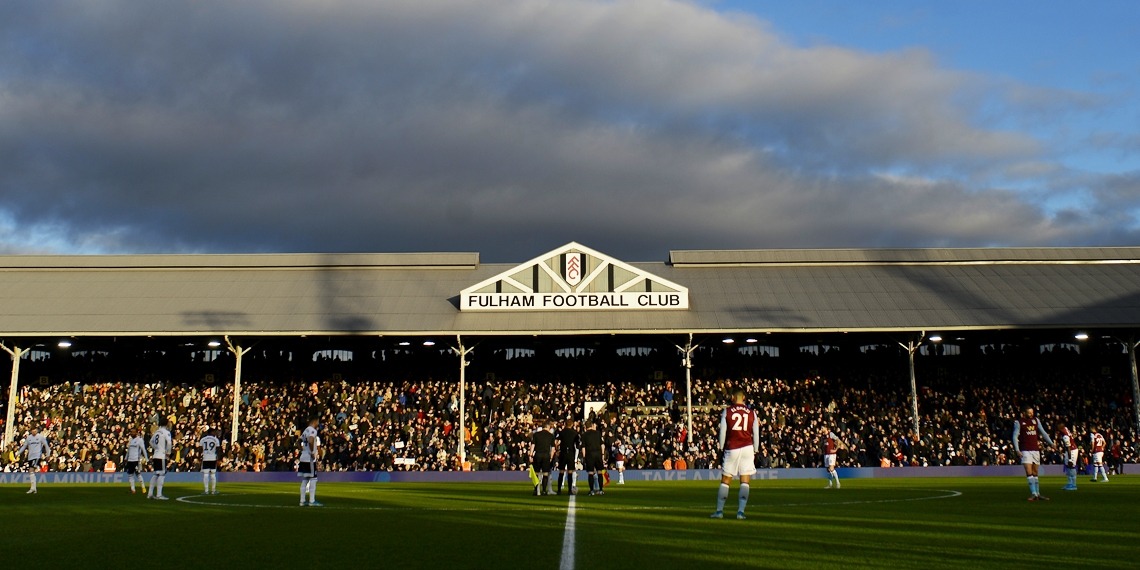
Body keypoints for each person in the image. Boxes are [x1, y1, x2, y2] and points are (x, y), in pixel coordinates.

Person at [711, 389, 760, 520]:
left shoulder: (727, 411)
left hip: (732, 447)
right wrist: (755, 448)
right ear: (743, 398)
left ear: (733, 397)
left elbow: (723, 431)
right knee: (745, 480)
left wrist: (721, 447)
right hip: (748, 448)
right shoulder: (752, 413)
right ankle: (740, 512)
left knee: (726, 480)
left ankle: (719, 511)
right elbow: (756, 432)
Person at [1012, 405, 1054, 501]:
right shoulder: (1019, 422)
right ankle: (1033, 493)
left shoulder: (1036, 420)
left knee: (1035, 472)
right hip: (1025, 450)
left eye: (1032, 412)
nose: (1031, 414)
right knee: (1029, 471)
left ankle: (1038, 494)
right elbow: (1015, 436)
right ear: (1024, 413)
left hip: (1035, 450)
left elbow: (1043, 432)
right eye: (1029, 412)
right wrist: (1017, 449)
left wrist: (1051, 443)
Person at [16, 426, 51, 494]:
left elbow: (46, 445)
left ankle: (33, 488)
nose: (34, 432)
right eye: (33, 431)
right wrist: (18, 452)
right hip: (30, 456)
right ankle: (34, 488)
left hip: (37, 455)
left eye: (35, 431)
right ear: (31, 431)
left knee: (31, 470)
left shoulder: (40, 437)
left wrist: (48, 454)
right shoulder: (29, 438)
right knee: (31, 471)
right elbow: (24, 446)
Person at [298, 417, 322, 506]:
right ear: (314, 421)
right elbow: (311, 440)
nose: (318, 424)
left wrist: (302, 450)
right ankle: (312, 501)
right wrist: (312, 452)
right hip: (309, 459)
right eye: (317, 422)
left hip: (303, 457)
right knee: (313, 479)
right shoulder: (313, 431)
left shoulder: (305, 430)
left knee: (305, 479)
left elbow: (298, 441)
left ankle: (302, 501)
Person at [148, 418, 173, 500]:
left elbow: (151, 442)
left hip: (156, 455)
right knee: (162, 474)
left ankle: (150, 494)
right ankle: (159, 495)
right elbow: (169, 442)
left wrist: (157, 448)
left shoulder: (157, 432)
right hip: (162, 456)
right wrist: (168, 452)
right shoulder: (166, 432)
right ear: (166, 424)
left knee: (155, 474)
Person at [529, 420, 556, 496]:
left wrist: (530, 455)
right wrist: (551, 457)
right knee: (545, 473)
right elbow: (553, 448)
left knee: (536, 473)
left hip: (537, 455)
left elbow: (533, 446)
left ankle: (536, 490)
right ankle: (544, 490)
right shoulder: (551, 436)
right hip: (546, 455)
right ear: (548, 426)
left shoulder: (536, 435)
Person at [580, 420, 606, 496]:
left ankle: (591, 490)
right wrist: (602, 454)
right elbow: (602, 445)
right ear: (592, 425)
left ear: (585, 427)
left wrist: (584, 457)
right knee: (599, 472)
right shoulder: (597, 433)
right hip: (598, 454)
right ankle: (601, 490)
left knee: (590, 472)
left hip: (589, 454)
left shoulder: (584, 435)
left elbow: (583, 447)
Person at [556, 418, 581, 495]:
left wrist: (557, 450)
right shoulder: (575, 433)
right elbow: (577, 445)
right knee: (570, 472)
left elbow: (557, 442)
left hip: (563, 453)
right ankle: (569, 490)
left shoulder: (561, 432)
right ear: (572, 425)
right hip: (570, 453)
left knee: (561, 471)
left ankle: (559, 490)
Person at [125, 426, 149, 495]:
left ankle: (143, 487)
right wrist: (126, 457)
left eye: (133, 432)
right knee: (130, 474)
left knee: (138, 474)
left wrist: (146, 458)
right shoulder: (130, 440)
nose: (131, 433)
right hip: (130, 460)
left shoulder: (140, 440)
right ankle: (133, 489)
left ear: (136, 433)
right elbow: (129, 450)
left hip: (136, 460)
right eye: (131, 432)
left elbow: (143, 449)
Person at [1056, 423, 1079, 491]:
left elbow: (1068, 447)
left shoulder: (1065, 436)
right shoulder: (1065, 429)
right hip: (1069, 450)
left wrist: (1070, 459)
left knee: (1071, 466)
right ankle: (1069, 483)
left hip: (1072, 450)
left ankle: (1074, 485)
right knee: (1067, 466)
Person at [199, 428, 221, 495]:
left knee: (205, 474)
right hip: (213, 458)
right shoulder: (216, 440)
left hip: (205, 458)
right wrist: (218, 458)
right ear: (212, 432)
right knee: (213, 474)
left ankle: (206, 490)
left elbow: (200, 449)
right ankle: (213, 491)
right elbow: (217, 450)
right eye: (214, 432)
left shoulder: (203, 439)